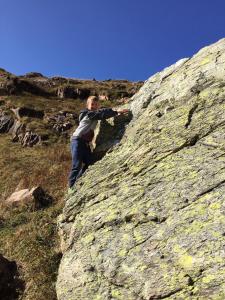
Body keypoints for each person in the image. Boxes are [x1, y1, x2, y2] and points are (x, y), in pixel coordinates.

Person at [68, 95, 129, 191]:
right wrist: (116, 112)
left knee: (90, 163)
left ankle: (78, 182)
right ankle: (71, 187)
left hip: (85, 144)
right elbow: (100, 114)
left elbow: (101, 113)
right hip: (77, 141)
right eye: (92, 104)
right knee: (77, 165)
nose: (94, 106)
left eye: (96, 105)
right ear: (88, 105)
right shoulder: (88, 114)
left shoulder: (94, 114)